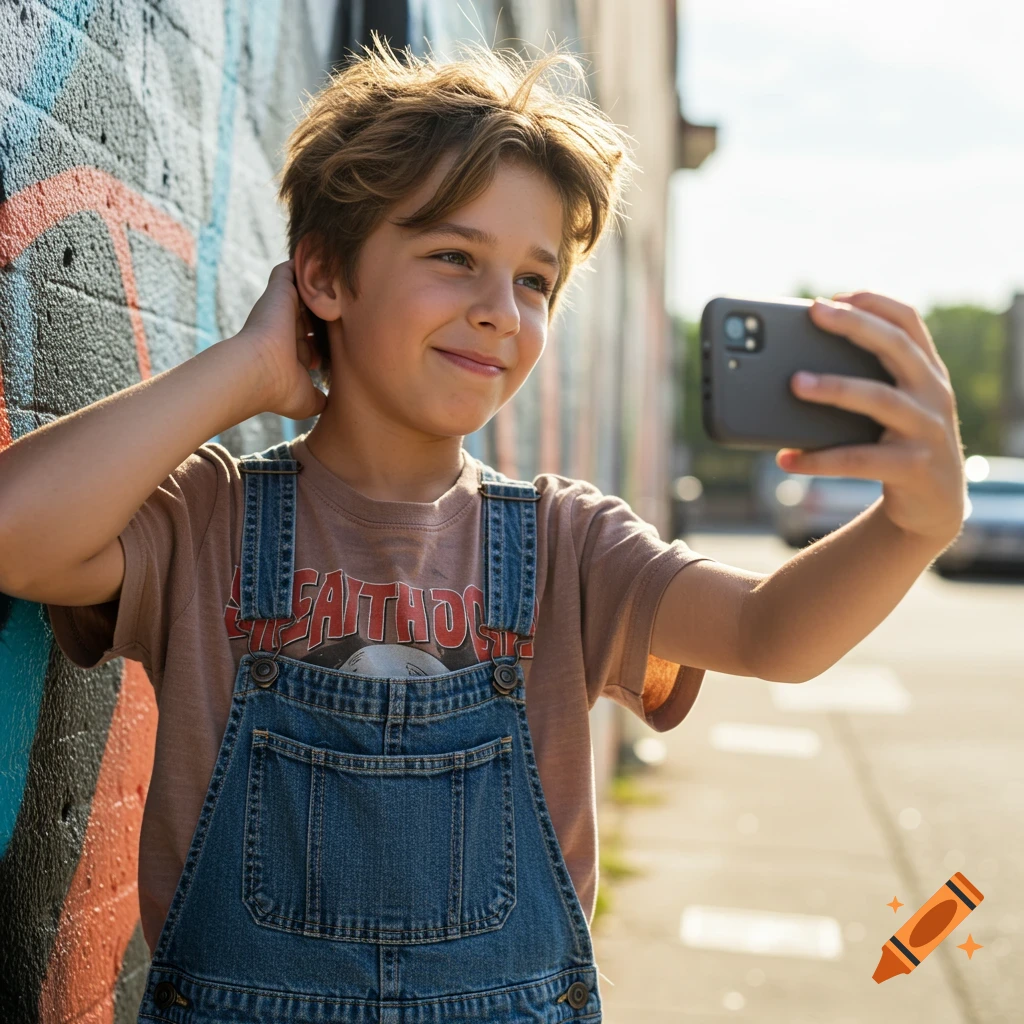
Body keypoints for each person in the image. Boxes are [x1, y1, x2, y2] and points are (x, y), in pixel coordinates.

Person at [0, 34, 967, 1024]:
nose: (500, 312)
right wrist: (248, 368)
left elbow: (771, 632)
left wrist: (913, 526)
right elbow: (17, 534)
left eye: (535, 281)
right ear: (324, 279)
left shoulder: (568, 546)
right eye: (455, 257)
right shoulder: (207, 522)